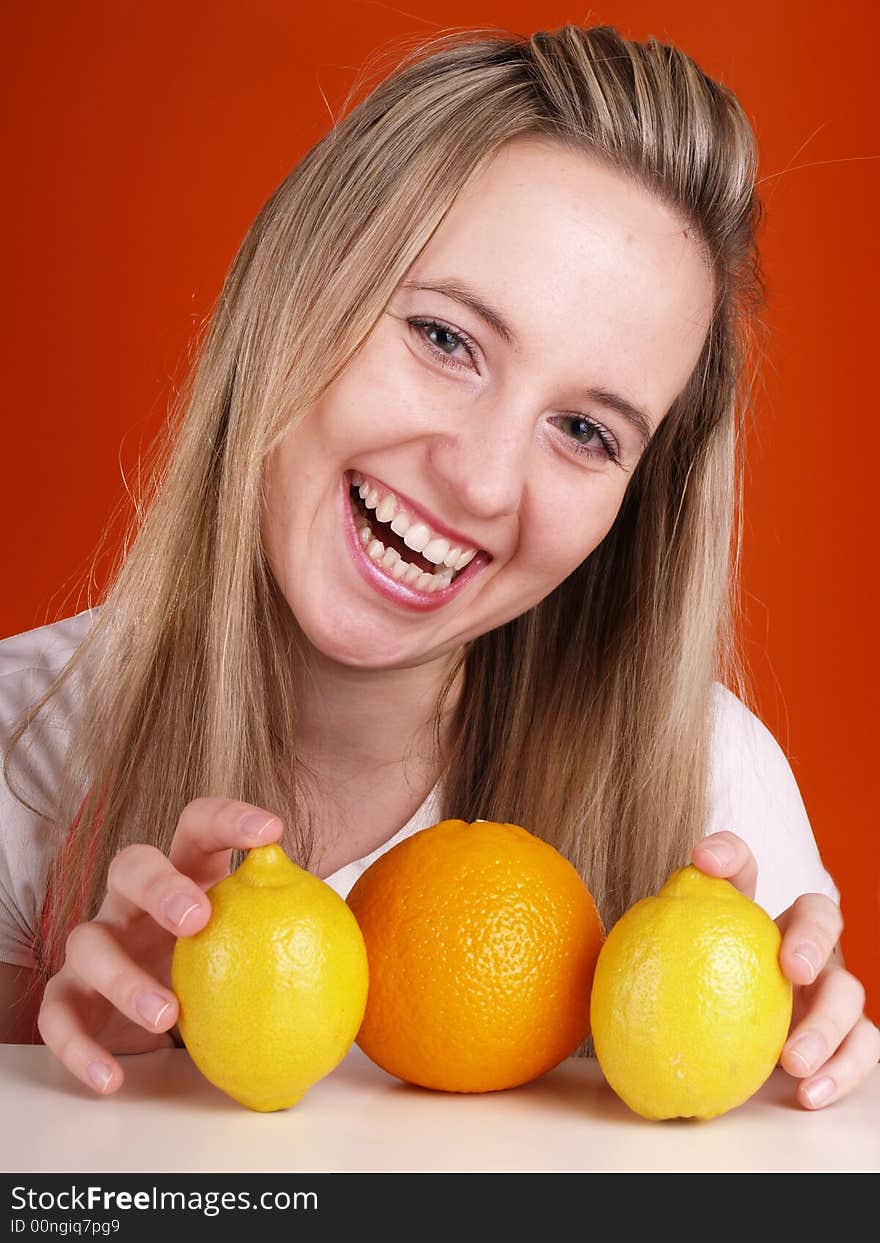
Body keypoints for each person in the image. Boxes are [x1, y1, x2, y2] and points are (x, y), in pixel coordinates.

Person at [1, 24, 876, 1113]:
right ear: (297, 287)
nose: (479, 481)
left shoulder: (707, 782)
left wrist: (790, 1096)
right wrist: (57, 1085)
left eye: (586, 431)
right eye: (445, 339)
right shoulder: (18, 749)